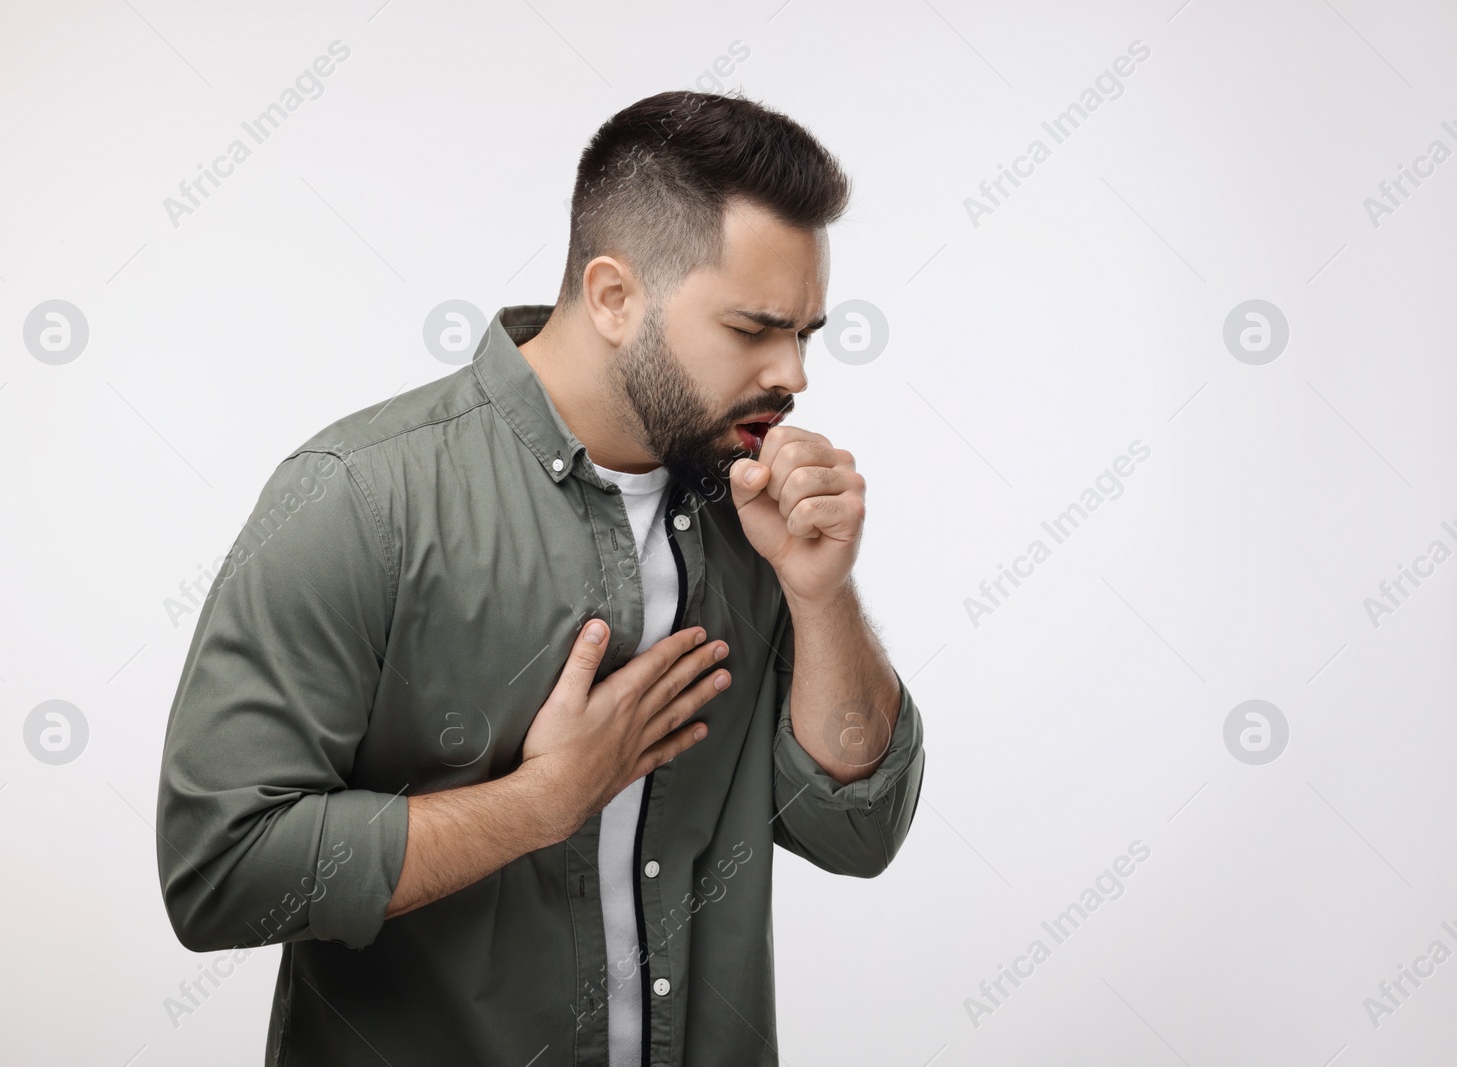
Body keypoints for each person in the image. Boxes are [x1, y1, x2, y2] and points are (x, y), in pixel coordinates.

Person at [155, 88, 925, 1067]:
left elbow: (854, 832)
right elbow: (219, 870)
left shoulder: (754, 509)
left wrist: (822, 593)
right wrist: (540, 800)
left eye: (806, 332)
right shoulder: (358, 498)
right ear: (613, 297)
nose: (794, 374)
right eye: (752, 327)